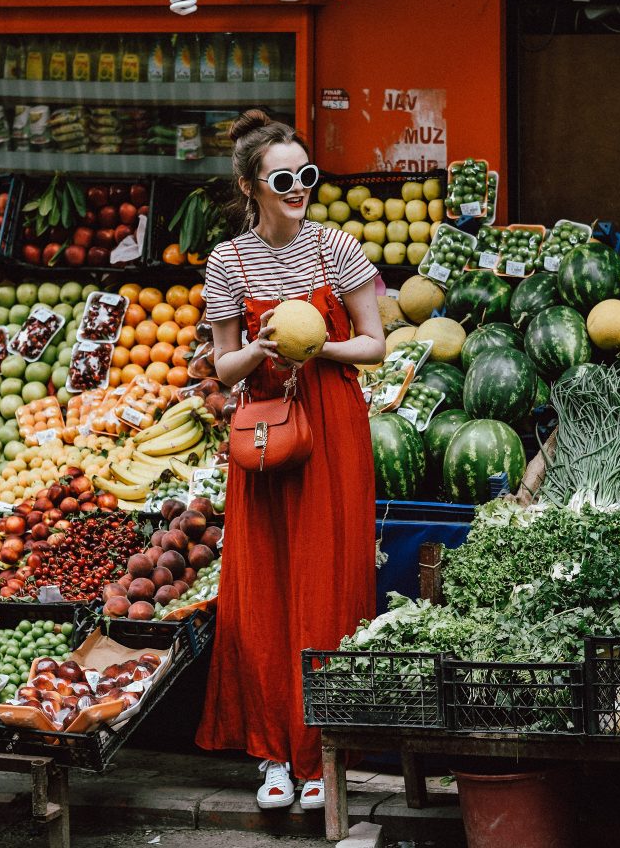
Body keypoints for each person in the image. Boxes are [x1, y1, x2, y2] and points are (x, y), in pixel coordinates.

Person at [196, 109, 385, 811]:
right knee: (265, 588)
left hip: (333, 423)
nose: (300, 187)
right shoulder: (228, 261)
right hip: (266, 434)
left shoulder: (336, 248)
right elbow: (223, 367)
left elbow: (375, 344)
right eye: (284, 178)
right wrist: (263, 350)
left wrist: (317, 347)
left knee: (328, 583)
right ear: (252, 185)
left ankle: (321, 755)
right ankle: (274, 752)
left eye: (307, 174)